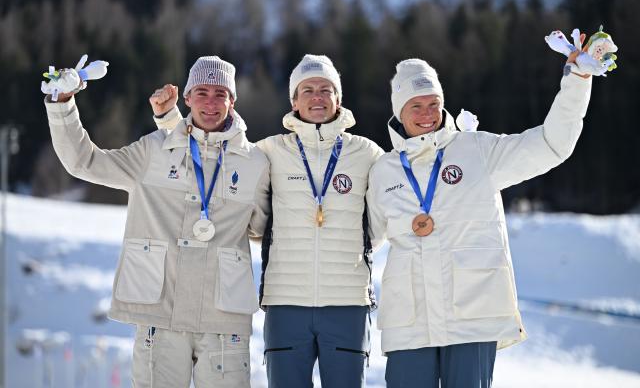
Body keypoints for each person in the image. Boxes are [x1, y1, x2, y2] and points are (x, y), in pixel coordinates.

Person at [152, 54, 384, 388]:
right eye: (307, 90)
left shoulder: (367, 153)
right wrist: (167, 120)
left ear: (339, 98)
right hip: (285, 303)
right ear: (294, 100)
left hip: (347, 303)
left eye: (325, 89)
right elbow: (208, 154)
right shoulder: (268, 152)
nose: (317, 97)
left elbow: (379, 222)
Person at [366, 49, 594, 387]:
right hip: (408, 323)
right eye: (416, 105)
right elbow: (361, 237)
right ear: (400, 111)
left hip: (471, 314)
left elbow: (550, 144)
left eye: (434, 103)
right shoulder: (383, 171)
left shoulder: (477, 151)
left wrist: (577, 81)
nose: (427, 114)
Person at [45, 56, 270, 388]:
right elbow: (84, 161)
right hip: (160, 315)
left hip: (224, 320)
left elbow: (262, 230)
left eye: (220, 94)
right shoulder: (154, 150)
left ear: (232, 101)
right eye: (202, 92)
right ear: (188, 97)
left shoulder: (255, 163)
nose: (210, 103)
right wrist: (63, 104)